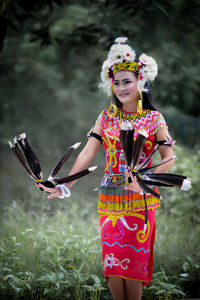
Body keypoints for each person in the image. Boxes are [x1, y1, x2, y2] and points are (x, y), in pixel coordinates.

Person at [37, 37, 174, 300]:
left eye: (127, 81)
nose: (121, 87)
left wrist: (146, 182)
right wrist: (65, 185)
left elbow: (169, 158)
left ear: (140, 82)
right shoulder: (106, 117)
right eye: (117, 82)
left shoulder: (155, 119)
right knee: (112, 267)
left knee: (131, 267)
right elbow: (87, 153)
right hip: (108, 201)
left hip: (140, 201)